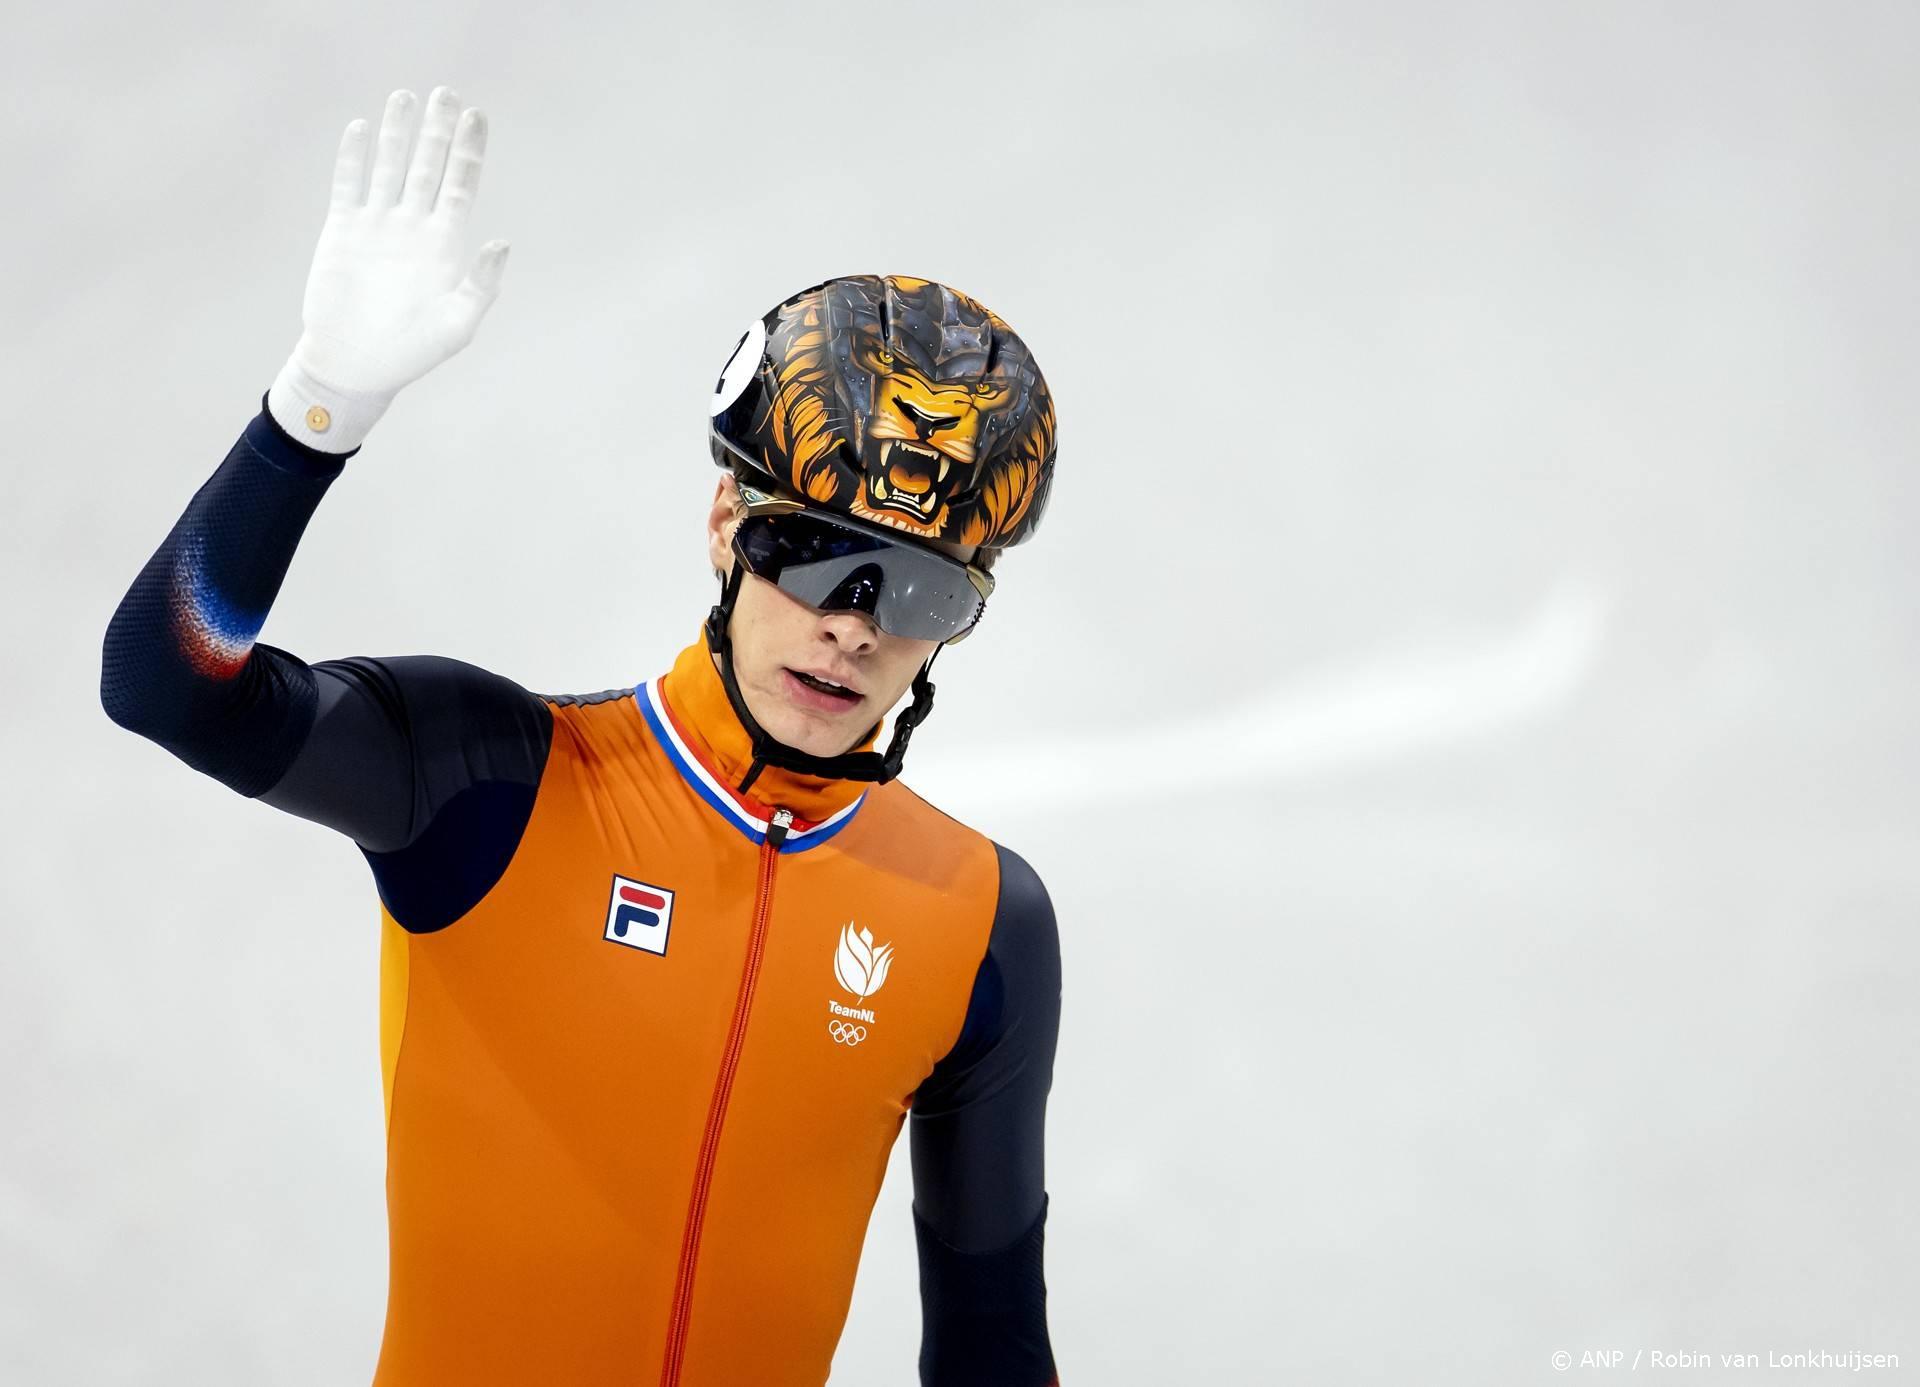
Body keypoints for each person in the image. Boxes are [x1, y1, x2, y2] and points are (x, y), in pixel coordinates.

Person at [99, 86, 1062, 1387]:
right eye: (817, 557)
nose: (854, 629)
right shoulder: (490, 778)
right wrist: (312, 412)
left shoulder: (982, 922)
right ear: (729, 526)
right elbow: (167, 684)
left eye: (923, 592)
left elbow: (993, 1350)